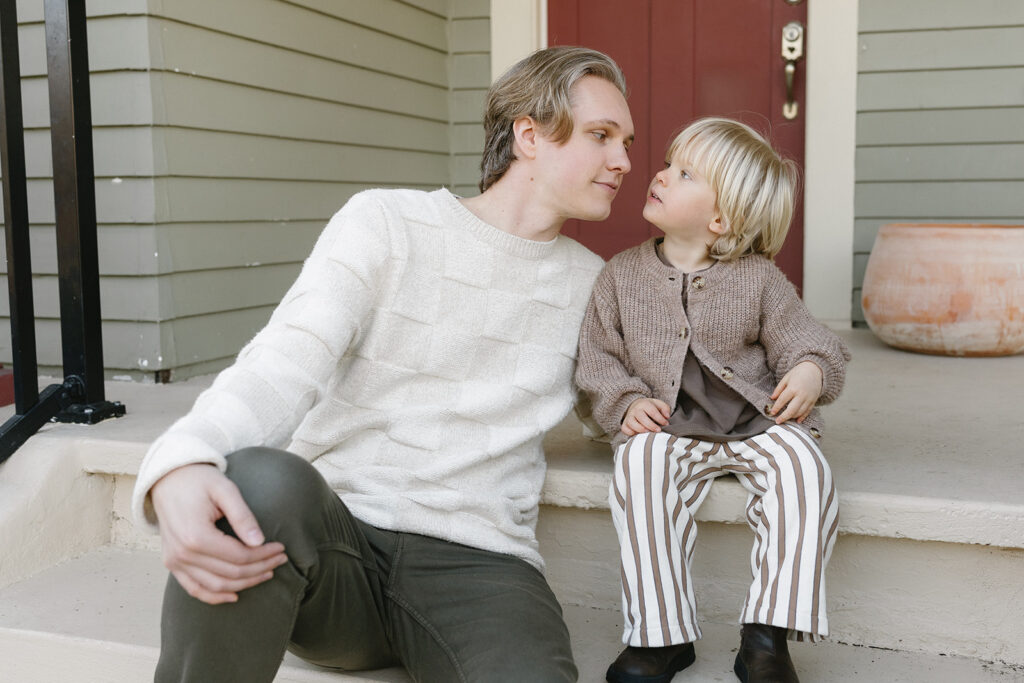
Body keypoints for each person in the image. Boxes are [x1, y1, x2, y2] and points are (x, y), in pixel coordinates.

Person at [131, 45, 635, 683]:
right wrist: (183, 460)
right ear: (529, 136)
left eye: (626, 141)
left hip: (480, 568)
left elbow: (625, 409)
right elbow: (284, 360)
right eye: (601, 136)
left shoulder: (599, 287)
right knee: (258, 481)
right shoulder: (388, 223)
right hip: (338, 546)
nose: (623, 161)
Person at [575, 117, 851, 683]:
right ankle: (661, 637)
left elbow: (809, 339)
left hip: (758, 420)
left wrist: (809, 372)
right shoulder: (619, 277)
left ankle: (767, 637)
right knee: (639, 466)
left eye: (684, 173)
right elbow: (597, 361)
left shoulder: (760, 280)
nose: (659, 174)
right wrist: (624, 402)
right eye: (669, 164)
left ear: (720, 219)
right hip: (667, 425)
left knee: (804, 470)